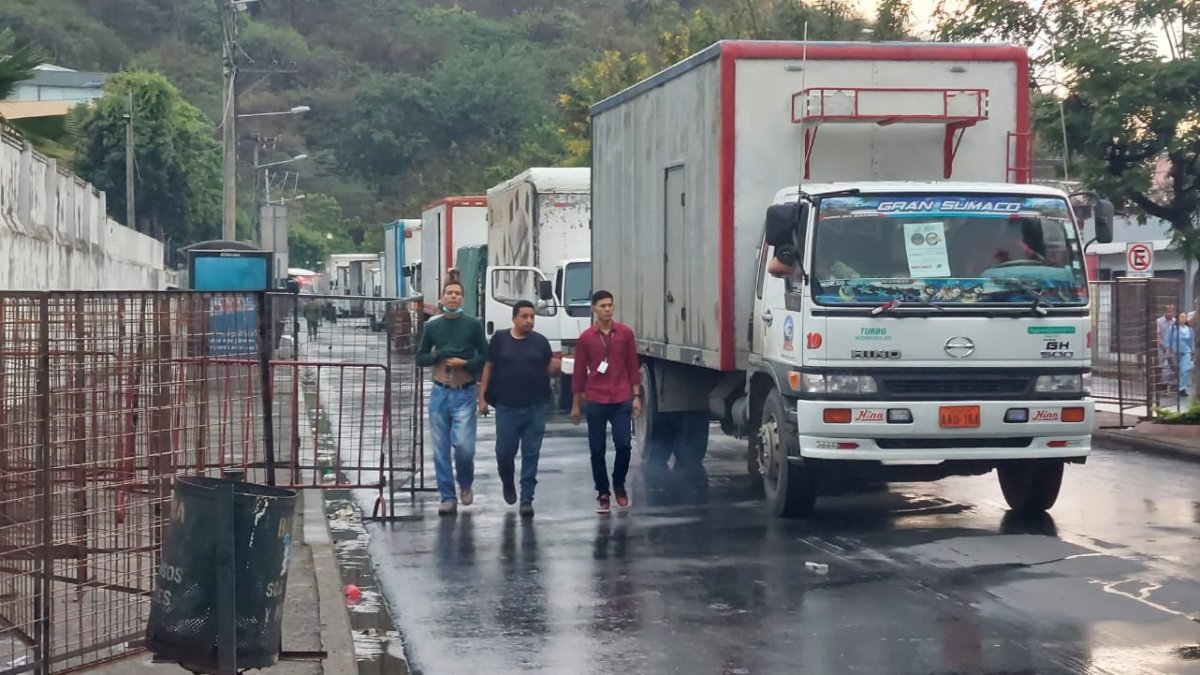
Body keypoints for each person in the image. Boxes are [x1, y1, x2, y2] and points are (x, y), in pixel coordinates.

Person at [478, 300, 561, 518]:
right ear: (514, 318)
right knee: (505, 452)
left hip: (535, 406)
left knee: (531, 454)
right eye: (524, 316)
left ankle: (527, 498)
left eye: (532, 317)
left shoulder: (540, 342)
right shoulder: (500, 340)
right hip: (507, 407)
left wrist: (556, 368)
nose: (529, 321)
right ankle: (507, 481)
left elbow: (550, 370)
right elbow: (488, 367)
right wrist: (482, 398)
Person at [416, 279, 489, 515]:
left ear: (463, 299)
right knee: (440, 449)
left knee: (464, 446)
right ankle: (447, 497)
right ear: (442, 297)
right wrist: (438, 355)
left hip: (464, 391)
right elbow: (421, 357)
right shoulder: (433, 326)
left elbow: (486, 356)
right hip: (439, 392)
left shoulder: (473, 325)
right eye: (449, 293)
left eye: (458, 293)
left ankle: (465, 482)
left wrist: (466, 363)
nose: (453, 297)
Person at [571, 290, 642, 514]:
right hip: (596, 398)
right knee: (597, 449)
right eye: (602, 306)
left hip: (621, 397)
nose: (607, 309)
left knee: (624, 444)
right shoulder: (586, 338)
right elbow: (579, 371)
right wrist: (576, 404)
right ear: (593, 308)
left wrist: (636, 396)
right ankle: (603, 493)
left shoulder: (625, 334)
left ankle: (619, 484)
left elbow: (633, 365)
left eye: (610, 305)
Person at [1166, 313, 1195, 399]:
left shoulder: (1189, 329)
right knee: (1177, 370)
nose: (1183, 318)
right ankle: (1176, 386)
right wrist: (1167, 350)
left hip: (1186, 351)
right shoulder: (1172, 328)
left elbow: (1191, 341)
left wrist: (1192, 352)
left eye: (1184, 317)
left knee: (1185, 370)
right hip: (1175, 352)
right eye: (1181, 316)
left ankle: (1182, 389)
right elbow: (1168, 340)